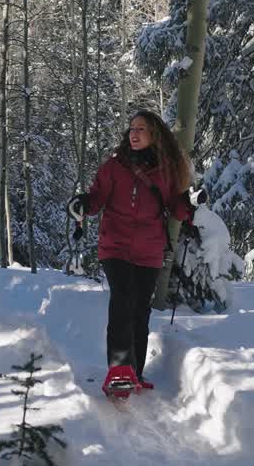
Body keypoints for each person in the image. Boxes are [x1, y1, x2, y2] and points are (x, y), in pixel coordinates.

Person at [68, 110, 198, 392]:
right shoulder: (114, 167)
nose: (134, 134)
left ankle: (134, 373)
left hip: (149, 250)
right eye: (131, 129)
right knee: (123, 298)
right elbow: (97, 198)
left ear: (155, 136)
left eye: (141, 129)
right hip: (115, 246)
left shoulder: (166, 171)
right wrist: (82, 203)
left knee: (140, 311)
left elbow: (175, 208)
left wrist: (190, 203)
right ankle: (119, 369)